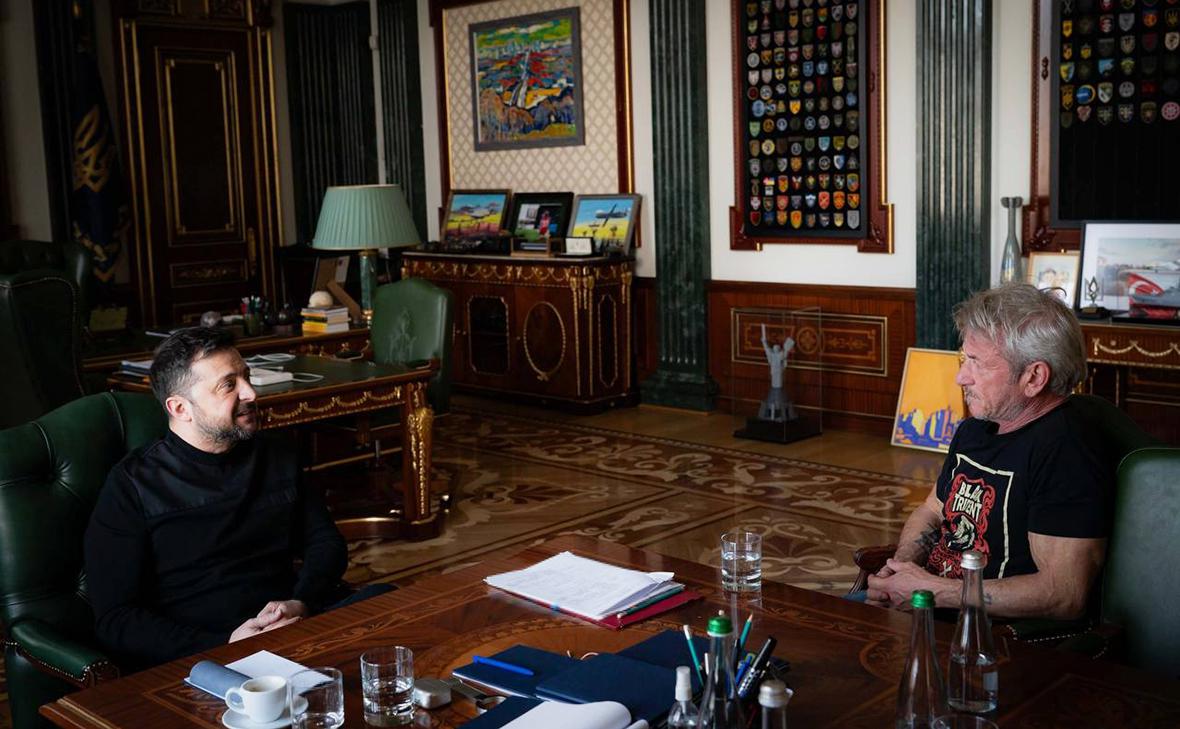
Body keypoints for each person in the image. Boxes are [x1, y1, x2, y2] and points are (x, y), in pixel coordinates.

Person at [85, 327, 350, 670]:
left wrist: (302, 601)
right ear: (180, 408)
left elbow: (325, 541)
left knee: (389, 605)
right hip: (202, 655)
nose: (250, 393)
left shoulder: (276, 454)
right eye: (229, 385)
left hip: (292, 627)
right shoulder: (132, 485)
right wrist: (225, 645)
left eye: (246, 377)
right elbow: (116, 619)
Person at [866, 283, 1113, 621]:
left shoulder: (1066, 452)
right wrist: (901, 569)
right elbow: (931, 510)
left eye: (977, 363)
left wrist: (931, 590)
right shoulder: (975, 429)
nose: (961, 377)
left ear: (1034, 377)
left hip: (988, 637)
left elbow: (1062, 595)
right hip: (926, 605)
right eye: (964, 358)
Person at [758, 323, 796, 421]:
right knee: (775, 388)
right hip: (774, 378)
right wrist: (763, 340)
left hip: (778, 377)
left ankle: (781, 414)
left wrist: (791, 336)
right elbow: (767, 349)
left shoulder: (779, 355)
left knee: (778, 387)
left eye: (777, 347)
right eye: (775, 347)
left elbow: (785, 351)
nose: (776, 348)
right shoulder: (772, 355)